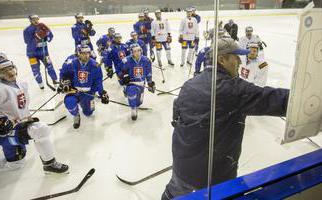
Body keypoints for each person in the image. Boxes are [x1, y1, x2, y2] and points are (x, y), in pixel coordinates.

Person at [161, 37, 289, 200]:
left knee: (175, 191)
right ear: (222, 59)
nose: (239, 61)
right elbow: (276, 100)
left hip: (182, 165)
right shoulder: (233, 89)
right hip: (215, 175)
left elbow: (177, 119)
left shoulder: (189, 84)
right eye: (235, 57)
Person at [0, 59, 69, 174]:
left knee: (16, 164)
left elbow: (22, 107)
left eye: (10, 68)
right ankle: (49, 165)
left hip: (15, 128)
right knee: (40, 129)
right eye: (4, 70)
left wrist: (27, 119)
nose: (9, 72)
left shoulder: (22, 85)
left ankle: (47, 164)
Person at [58, 45, 109, 129]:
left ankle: (86, 105)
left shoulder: (95, 65)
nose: (86, 55)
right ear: (78, 53)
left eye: (88, 53)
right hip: (74, 91)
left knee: (89, 113)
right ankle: (76, 115)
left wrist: (102, 92)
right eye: (83, 53)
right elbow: (63, 74)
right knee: (69, 102)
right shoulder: (71, 63)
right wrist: (63, 82)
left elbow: (98, 80)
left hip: (88, 93)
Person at [118, 44, 155, 121]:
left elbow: (148, 73)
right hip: (131, 83)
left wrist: (150, 82)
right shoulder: (126, 60)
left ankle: (135, 104)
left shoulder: (146, 60)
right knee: (131, 93)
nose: (137, 53)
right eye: (135, 51)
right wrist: (123, 76)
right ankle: (133, 109)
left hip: (141, 84)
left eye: (138, 50)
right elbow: (119, 71)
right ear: (131, 52)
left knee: (139, 103)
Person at [23, 14, 58, 89]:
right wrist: (37, 37)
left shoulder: (43, 26)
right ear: (30, 20)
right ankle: (40, 84)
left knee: (50, 67)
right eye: (33, 19)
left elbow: (50, 38)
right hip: (32, 53)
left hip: (44, 52)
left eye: (36, 19)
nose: (35, 21)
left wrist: (47, 34)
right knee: (35, 69)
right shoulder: (27, 30)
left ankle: (55, 81)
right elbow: (27, 41)